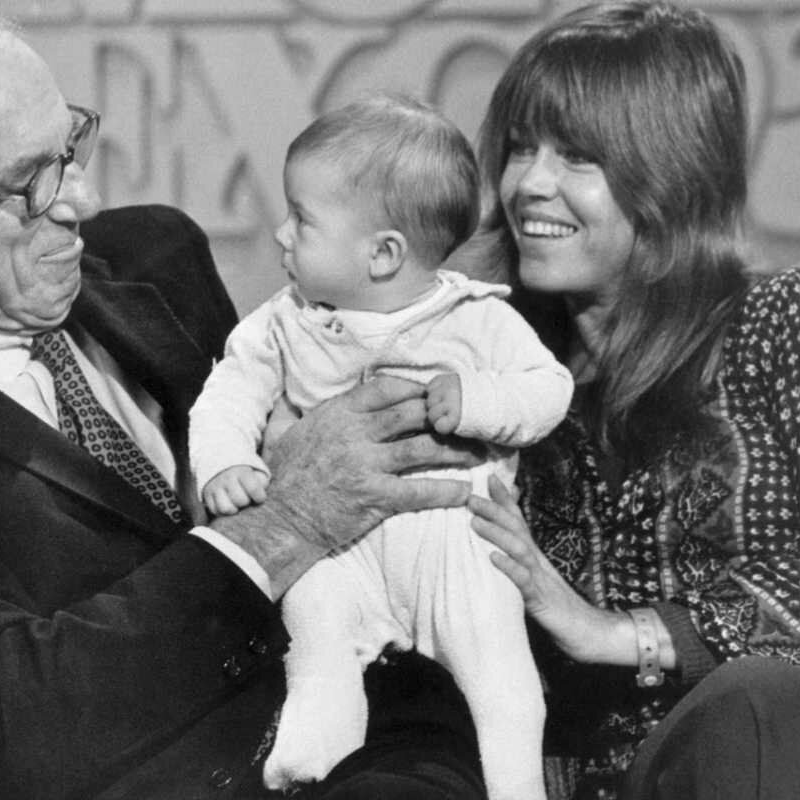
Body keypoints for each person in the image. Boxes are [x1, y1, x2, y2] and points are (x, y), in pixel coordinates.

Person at [0, 6, 491, 800]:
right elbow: (17, 714)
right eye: (30, 183)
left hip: (400, 730)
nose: (83, 199)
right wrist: (286, 523)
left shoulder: (155, 253)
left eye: (69, 150)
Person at [453, 1, 800, 798]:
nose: (530, 185)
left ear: (671, 172)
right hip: (647, 780)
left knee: (757, 700)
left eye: (578, 156)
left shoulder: (790, 322)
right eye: (520, 148)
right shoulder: (497, 377)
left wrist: (627, 635)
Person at [188, 93, 572, 800]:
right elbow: (228, 392)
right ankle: (318, 741)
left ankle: (518, 788)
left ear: (384, 253)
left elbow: (548, 388)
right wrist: (227, 461)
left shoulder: (476, 316)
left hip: (457, 548)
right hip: (341, 546)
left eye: (302, 219)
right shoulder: (285, 321)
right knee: (317, 629)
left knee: (504, 684)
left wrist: (479, 400)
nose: (280, 233)